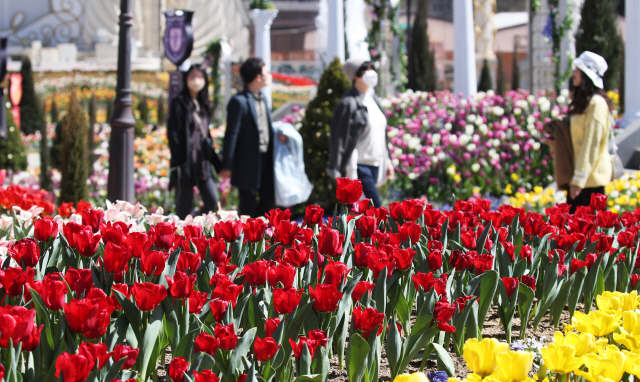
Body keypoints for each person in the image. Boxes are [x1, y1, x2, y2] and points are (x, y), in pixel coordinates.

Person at [327, 59, 393, 208]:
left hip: (377, 164)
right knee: (376, 209)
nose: (371, 73)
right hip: (359, 166)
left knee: (366, 214)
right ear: (355, 76)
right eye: (365, 70)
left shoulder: (373, 99)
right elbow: (341, 139)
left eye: (372, 68)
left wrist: (388, 161)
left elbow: (382, 134)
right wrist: (339, 171)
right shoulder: (348, 103)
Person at [220, 57, 277, 217]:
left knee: (268, 201)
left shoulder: (263, 99)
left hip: (265, 159)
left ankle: (261, 234)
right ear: (258, 77)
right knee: (248, 204)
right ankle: (247, 237)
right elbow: (231, 134)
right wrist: (227, 165)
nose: (269, 76)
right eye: (266, 72)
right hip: (246, 163)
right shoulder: (238, 102)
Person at [168, 64, 220, 219]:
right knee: (184, 206)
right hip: (186, 163)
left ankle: (196, 225)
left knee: (212, 201)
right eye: (192, 76)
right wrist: (179, 161)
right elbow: (174, 135)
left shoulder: (204, 105)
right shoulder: (179, 103)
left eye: (199, 77)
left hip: (202, 163)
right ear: (186, 79)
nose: (196, 80)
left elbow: (207, 136)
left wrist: (217, 163)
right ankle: (182, 237)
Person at [567, 51, 613, 213]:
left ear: (586, 74)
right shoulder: (585, 102)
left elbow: (591, 144)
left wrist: (578, 181)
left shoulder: (596, 104)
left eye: (577, 70)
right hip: (580, 180)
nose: (573, 74)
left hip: (590, 183)